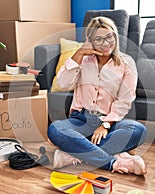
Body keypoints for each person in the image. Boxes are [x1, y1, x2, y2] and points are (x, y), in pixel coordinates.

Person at [47, 16, 147, 175]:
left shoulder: (127, 63)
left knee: (139, 130)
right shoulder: (82, 59)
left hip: (108, 122)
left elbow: (124, 101)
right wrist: (79, 53)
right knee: (55, 129)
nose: (106, 43)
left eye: (109, 37)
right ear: (90, 40)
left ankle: (72, 154)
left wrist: (105, 125)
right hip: (79, 119)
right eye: (98, 39)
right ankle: (113, 162)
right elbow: (63, 83)